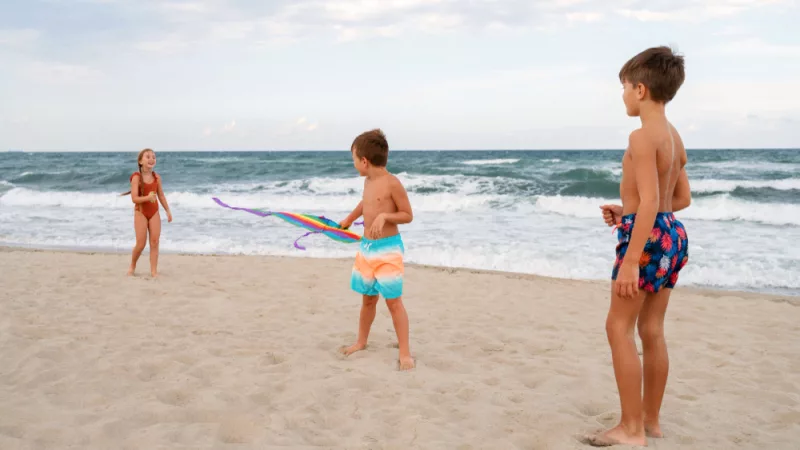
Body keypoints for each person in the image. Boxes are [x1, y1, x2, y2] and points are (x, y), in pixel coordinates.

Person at [588, 46, 691, 447]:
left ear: (641, 90)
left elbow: (649, 202)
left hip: (645, 239)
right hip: (672, 235)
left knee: (618, 327)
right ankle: (650, 421)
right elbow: (678, 200)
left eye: (625, 86)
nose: (623, 94)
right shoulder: (674, 137)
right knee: (652, 329)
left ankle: (630, 430)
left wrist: (631, 259)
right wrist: (625, 211)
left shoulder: (641, 135)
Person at [338, 129, 415, 371]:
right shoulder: (368, 181)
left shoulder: (393, 183)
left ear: (364, 160)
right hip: (367, 249)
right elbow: (366, 203)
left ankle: (405, 353)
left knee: (393, 302)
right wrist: (349, 219)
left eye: (353, 159)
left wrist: (385, 216)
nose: (353, 164)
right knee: (368, 299)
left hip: (388, 251)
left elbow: (408, 215)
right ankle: (361, 341)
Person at [121, 148, 173, 277]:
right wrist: (147, 198)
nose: (151, 159)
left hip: (154, 212)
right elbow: (134, 199)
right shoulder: (136, 177)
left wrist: (167, 210)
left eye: (153, 157)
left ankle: (154, 271)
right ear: (140, 161)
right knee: (141, 243)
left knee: (155, 242)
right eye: (147, 156)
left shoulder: (157, 177)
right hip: (141, 212)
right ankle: (132, 265)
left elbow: (161, 195)